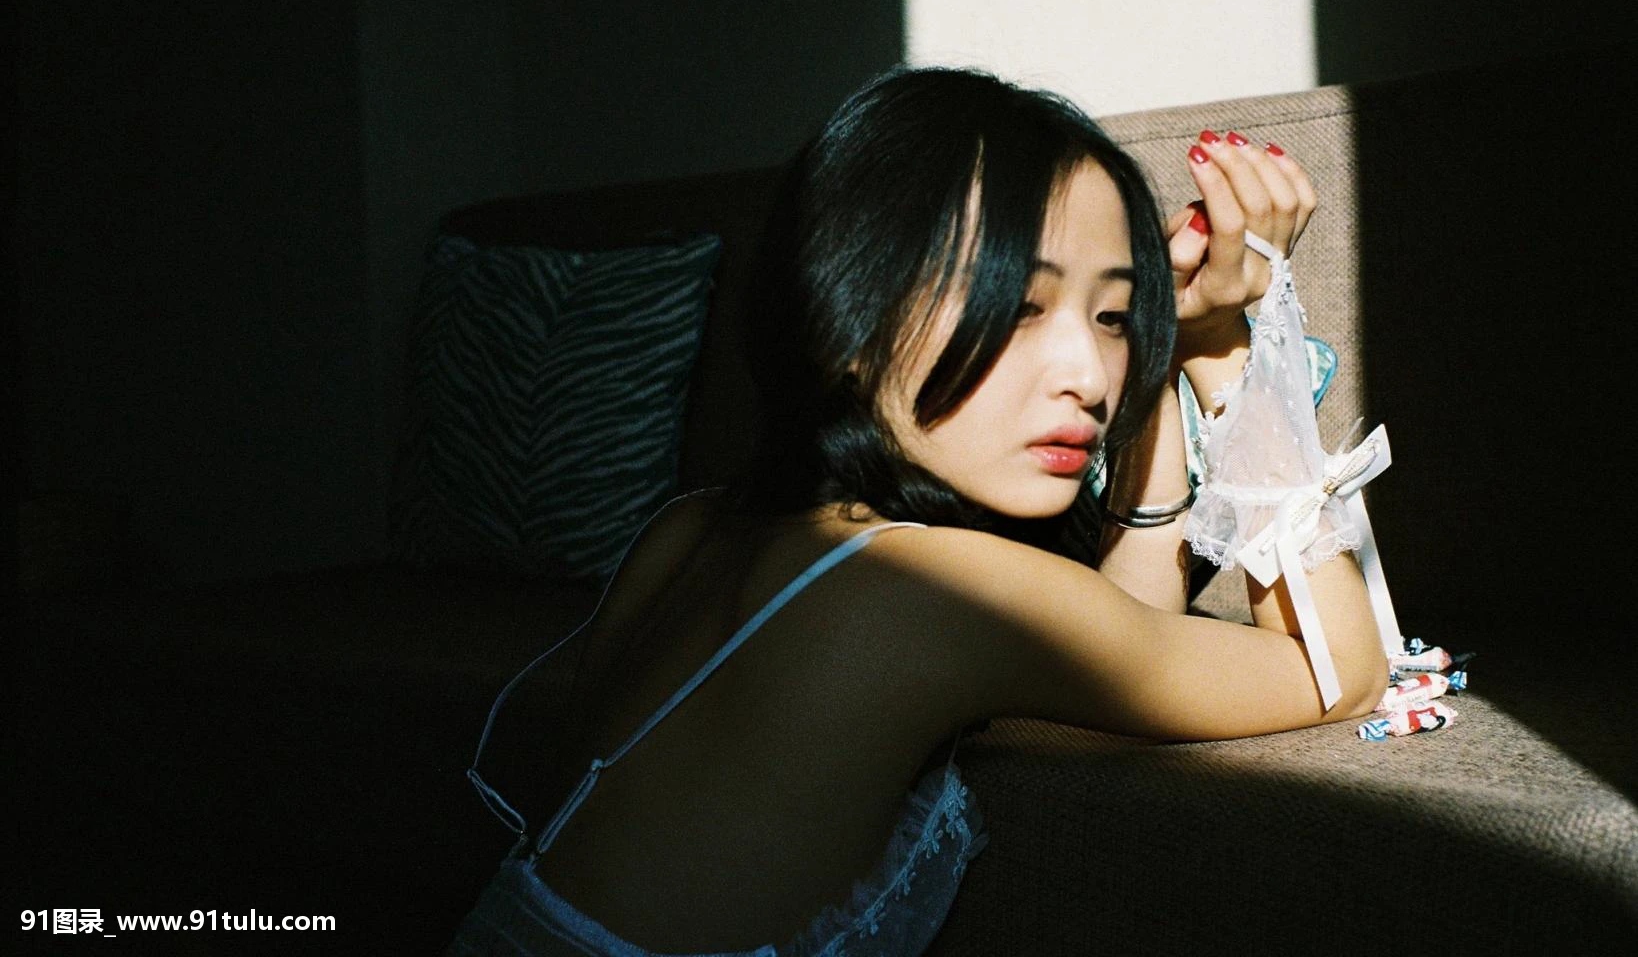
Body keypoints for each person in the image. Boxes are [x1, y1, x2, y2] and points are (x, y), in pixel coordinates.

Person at [447, 65, 1389, 956]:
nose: (1090, 376)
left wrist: (1171, 346)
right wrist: (1224, 347)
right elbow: (1339, 673)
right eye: (1021, 306)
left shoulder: (691, 529)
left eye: (1112, 319)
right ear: (847, 316)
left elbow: (1126, 635)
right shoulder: (928, 591)